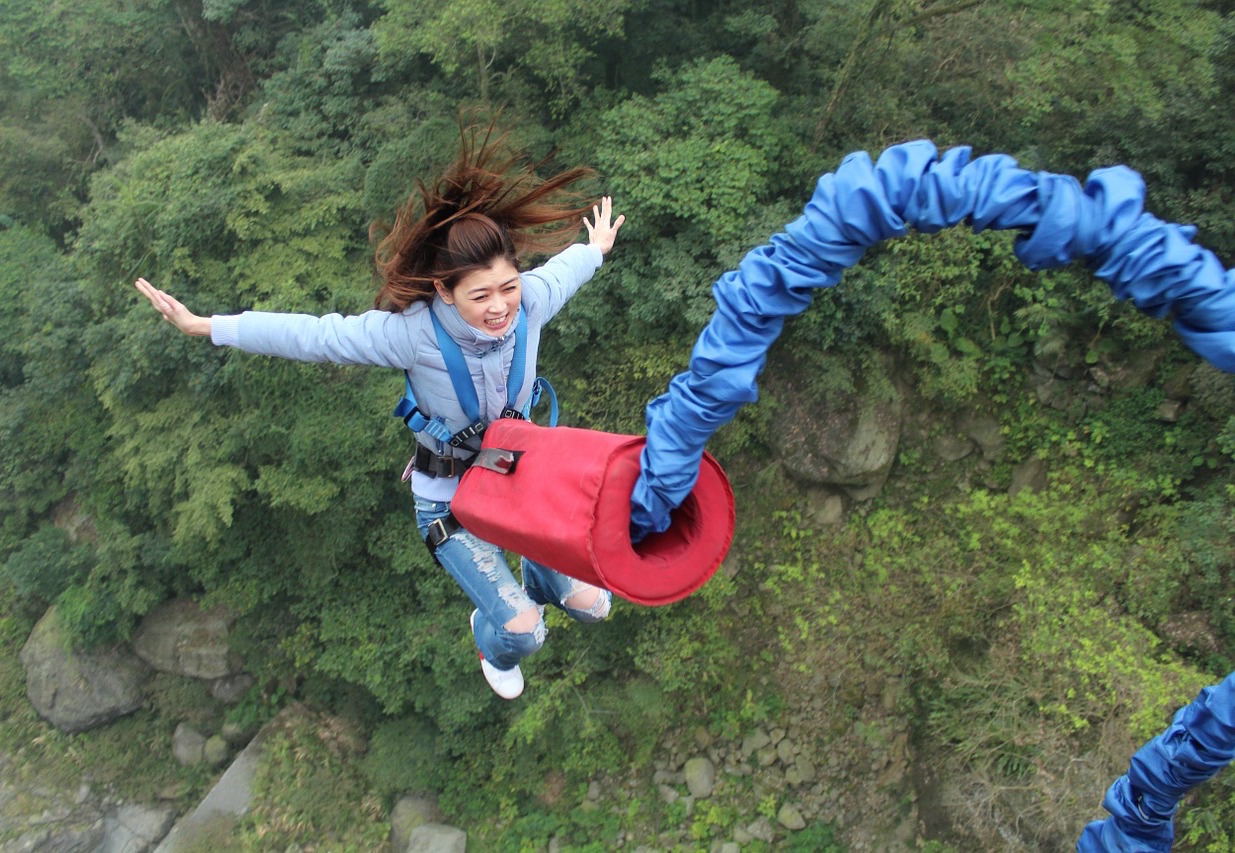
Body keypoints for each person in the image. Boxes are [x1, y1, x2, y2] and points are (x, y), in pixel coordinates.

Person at [135, 124, 625, 699]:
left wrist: (594, 248)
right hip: (451, 503)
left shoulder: (530, 303)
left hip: (519, 484)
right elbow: (315, 336)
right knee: (524, 635)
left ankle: (536, 578)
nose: (500, 308)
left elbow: (565, 271)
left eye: (508, 288)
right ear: (444, 291)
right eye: (480, 296)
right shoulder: (412, 336)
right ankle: (490, 633)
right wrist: (209, 326)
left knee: (596, 605)